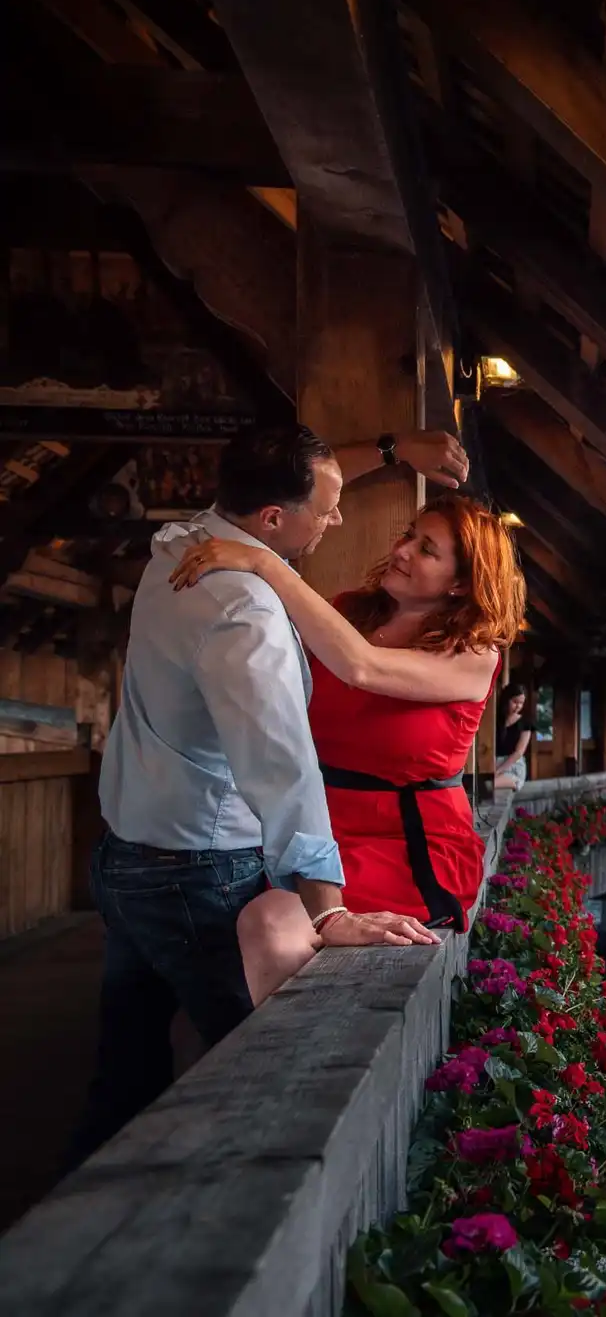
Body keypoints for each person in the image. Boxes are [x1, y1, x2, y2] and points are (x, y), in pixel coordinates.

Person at [71, 423, 463, 1165]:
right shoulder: (244, 614)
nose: (339, 520)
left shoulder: (178, 545)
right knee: (272, 1081)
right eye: (327, 508)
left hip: (122, 860)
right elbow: (280, 766)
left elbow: (284, 502)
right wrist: (329, 906)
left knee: (123, 1084)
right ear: (274, 518)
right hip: (195, 871)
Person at [172, 492, 526, 1003]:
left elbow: (361, 667)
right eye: (409, 535)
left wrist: (262, 561)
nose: (403, 550)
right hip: (315, 828)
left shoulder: (472, 654)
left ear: (461, 583)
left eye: (427, 549)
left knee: (270, 921)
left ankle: (288, 1071)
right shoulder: (346, 613)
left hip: (408, 845)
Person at [494, 682, 532, 790]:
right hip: (494, 763)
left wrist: (499, 770)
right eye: (515, 702)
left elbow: (519, 752)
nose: (518, 706)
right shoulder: (495, 720)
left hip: (513, 766)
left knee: (490, 784)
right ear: (506, 699)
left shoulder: (525, 722)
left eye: (521, 703)